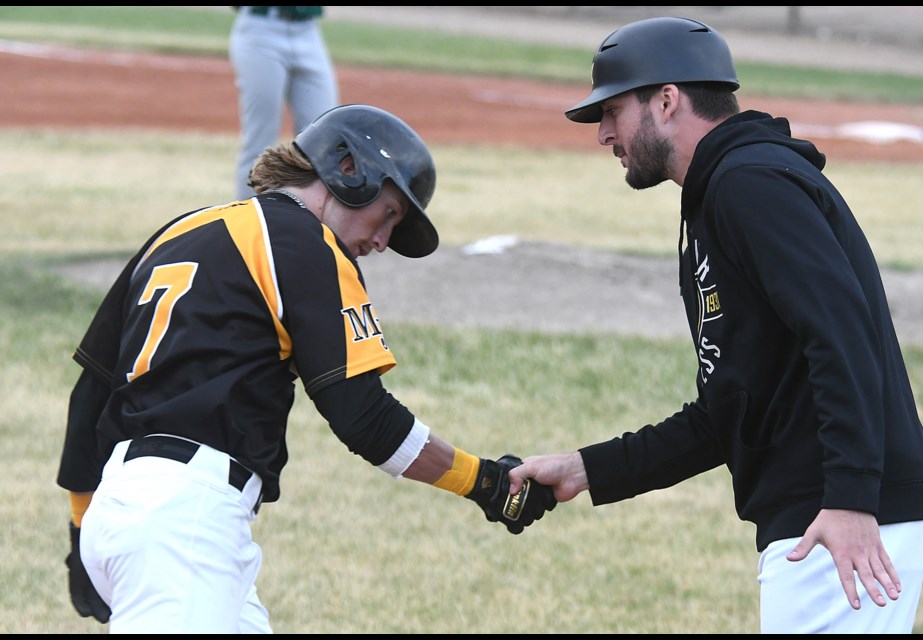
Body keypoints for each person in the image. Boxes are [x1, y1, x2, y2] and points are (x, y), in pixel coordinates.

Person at [507, 17, 923, 634]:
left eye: (612, 111)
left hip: (839, 513)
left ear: (666, 99)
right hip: (822, 506)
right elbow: (731, 408)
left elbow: (844, 333)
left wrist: (848, 496)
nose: (603, 133)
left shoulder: (749, 185)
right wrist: (586, 470)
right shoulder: (721, 195)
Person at [56, 104, 556, 633]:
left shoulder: (182, 229)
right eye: (388, 213)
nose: (383, 240)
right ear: (348, 170)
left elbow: (91, 393)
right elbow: (366, 420)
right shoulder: (305, 244)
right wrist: (486, 483)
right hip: (185, 525)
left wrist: (82, 526)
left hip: (126, 510)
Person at [229, 6, 339, 200]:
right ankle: (247, 221)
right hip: (260, 29)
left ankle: (313, 222)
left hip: (308, 31)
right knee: (260, 139)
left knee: (324, 139)